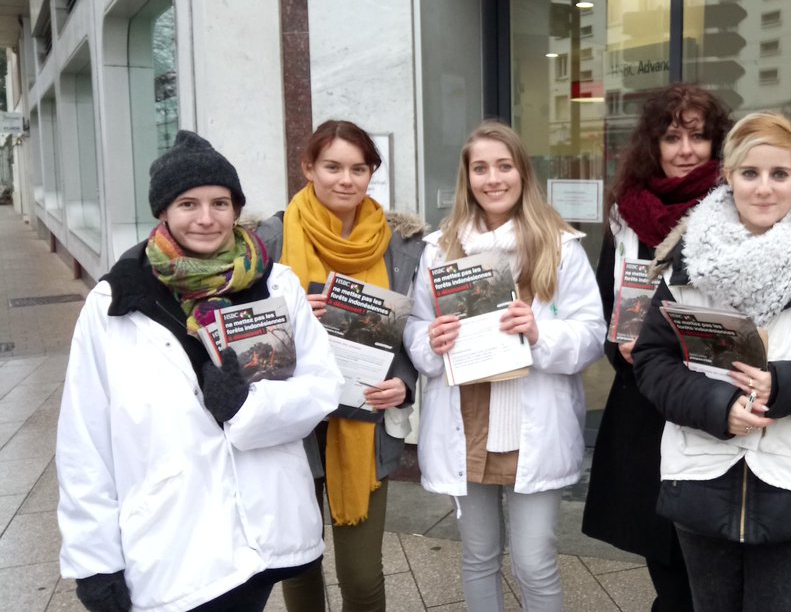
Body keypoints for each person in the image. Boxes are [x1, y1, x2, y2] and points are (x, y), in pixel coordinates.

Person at [56, 131, 342, 612]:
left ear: (236, 208)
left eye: (220, 203)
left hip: (263, 530)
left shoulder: (274, 284)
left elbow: (322, 388)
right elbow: (84, 441)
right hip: (175, 544)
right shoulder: (115, 302)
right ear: (163, 212)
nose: (206, 218)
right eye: (188, 203)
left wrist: (247, 407)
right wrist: (93, 561)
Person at [632, 112, 791, 612]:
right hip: (701, 471)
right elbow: (653, 362)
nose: (765, 189)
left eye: (779, 174)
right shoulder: (688, 263)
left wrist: (783, 386)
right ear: (727, 177)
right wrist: (717, 405)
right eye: (750, 173)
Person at [404, 122, 605, 612]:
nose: (493, 178)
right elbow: (415, 327)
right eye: (480, 168)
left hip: (529, 426)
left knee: (534, 561)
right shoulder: (441, 248)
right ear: (466, 177)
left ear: (522, 172)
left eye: (503, 165)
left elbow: (591, 334)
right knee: (477, 556)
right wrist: (431, 340)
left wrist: (539, 334)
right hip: (467, 424)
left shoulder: (560, 247)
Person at [255, 120, 426, 612]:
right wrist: (286, 320)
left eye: (358, 168)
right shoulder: (268, 240)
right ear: (308, 168)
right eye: (332, 167)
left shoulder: (402, 244)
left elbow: (413, 336)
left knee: (362, 578)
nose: (345, 180)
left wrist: (404, 384)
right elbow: (240, 332)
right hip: (293, 428)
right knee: (299, 566)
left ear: (372, 172)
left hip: (365, 425)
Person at [580, 83, 733, 611]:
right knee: (660, 555)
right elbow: (607, 304)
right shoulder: (627, 216)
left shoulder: (736, 211)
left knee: (706, 558)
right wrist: (617, 346)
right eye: (672, 137)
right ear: (654, 144)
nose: (685, 150)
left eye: (698, 137)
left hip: (705, 400)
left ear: (718, 145)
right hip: (643, 403)